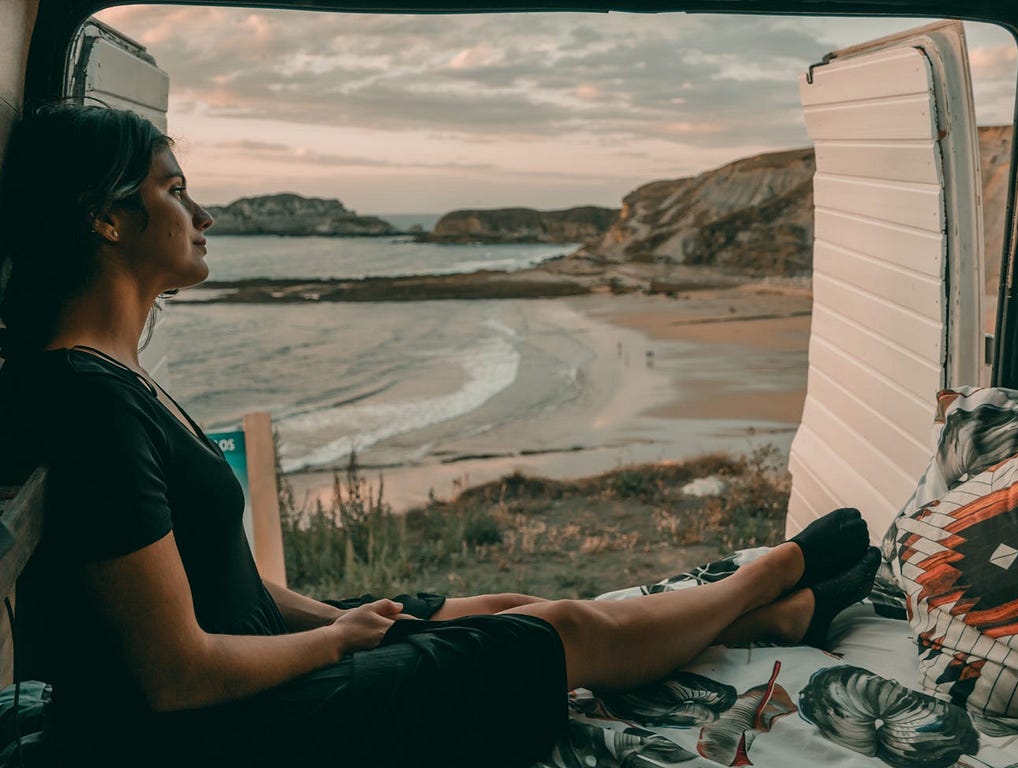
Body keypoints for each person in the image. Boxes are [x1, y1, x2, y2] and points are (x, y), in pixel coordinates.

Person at [0, 104, 881, 768]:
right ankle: (770, 572)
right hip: (242, 729)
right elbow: (176, 675)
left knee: (495, 606)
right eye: (176, 191)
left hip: (260, 674)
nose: (206, 216)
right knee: (558, 624)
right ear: (105, 218)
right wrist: (338, 640)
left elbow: (215, 584)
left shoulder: (111, 379)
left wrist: (346, 614)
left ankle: (787, 610)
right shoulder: (88, 402)